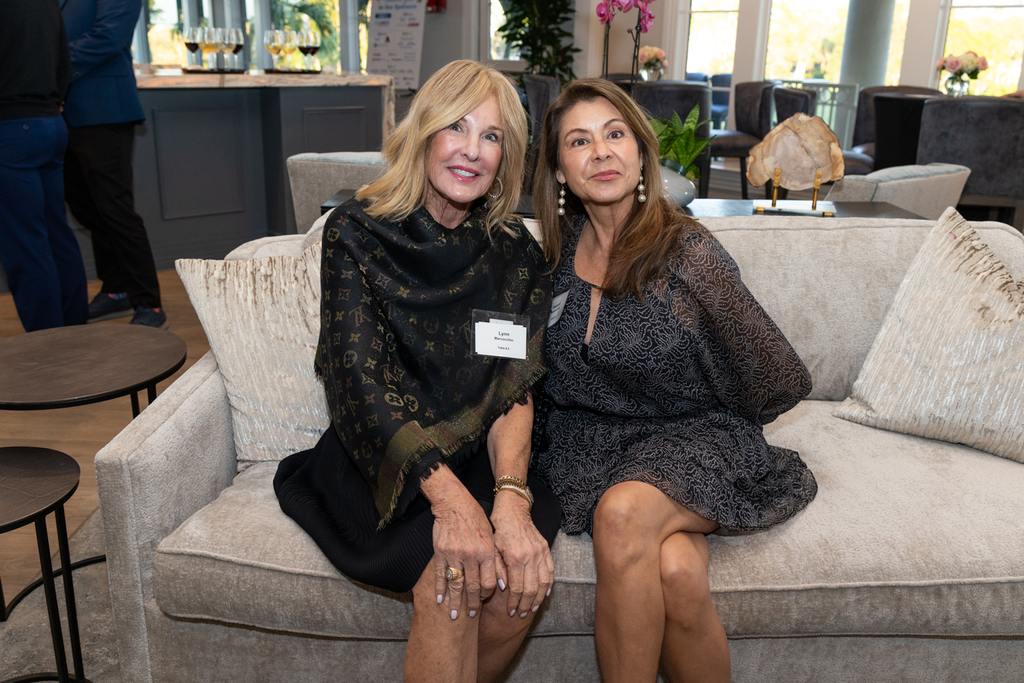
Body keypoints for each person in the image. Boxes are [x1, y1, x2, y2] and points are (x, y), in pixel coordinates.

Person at [273, 60, 560, 683]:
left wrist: (511, 499)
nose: (472, 150)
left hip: (480, 451)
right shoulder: (357, 231)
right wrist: (452, 504)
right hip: (382, 450)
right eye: (457, 127)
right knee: (452, 574)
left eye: (491, 135)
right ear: (424, 132)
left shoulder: (513, 251)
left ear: (506, 156)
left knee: (518, 588)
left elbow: (513, 387)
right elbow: (359, 384)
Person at [531, 78, 818, 682]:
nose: (601, 152)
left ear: (641, 153)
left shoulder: (686, 251)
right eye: (579, 141)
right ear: (559, 170)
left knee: (623, 514)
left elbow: (775, 374)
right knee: (679, 572)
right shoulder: (555, 255)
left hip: (691, 437)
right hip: (590, 447)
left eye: (615, 135)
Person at [61, 0, 165, 327]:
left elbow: (109, 36)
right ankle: (116, 289)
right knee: (85, 206)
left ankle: (149, 303)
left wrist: (49, 62)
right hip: (61, 112)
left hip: (104, 109)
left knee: (114, 208)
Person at [0, 0, 88, 332]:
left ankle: (46, 341)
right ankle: (73, 329)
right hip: (51, 123)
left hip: (11, 127)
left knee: (26, 244)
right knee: (56, 232)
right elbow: (64, 62)